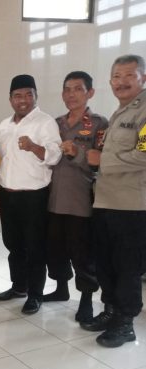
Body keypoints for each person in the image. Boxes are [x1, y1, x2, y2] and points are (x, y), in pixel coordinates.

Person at [85, 54, 146, 347]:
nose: (121, 82)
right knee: (106, 263)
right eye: (116, 77)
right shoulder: (120, 111)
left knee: (127, 266)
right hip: (106, 202)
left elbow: (144, 154)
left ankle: (125, 322)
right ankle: (110, 310)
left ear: (143, 78)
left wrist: (103, 161)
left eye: (129, 75)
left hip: (131, 206)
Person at [0, 74, 62, 315]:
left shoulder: (45, 122)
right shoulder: (4, 125)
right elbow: (1, 161)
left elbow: (55, 155)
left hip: (34, 197)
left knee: (35, 247)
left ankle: (35, 294)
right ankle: (19, 286)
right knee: (13, 244)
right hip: (8, 195)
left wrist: (33, 146)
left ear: (36, 96)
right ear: (10, 99)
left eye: (28, 94)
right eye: (18, 95)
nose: (23, 100)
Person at [44, 71, 107, 323]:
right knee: (55, 249)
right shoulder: (55, 123)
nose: (71, 94)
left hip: (81, 200)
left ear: (90, 92)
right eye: (67, 89)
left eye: (78, 89)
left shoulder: (99, 124)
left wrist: (76, 153)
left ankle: (86, 300)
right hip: (53, 199)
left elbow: (101, 163)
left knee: (82, 253)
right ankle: (61, 288)